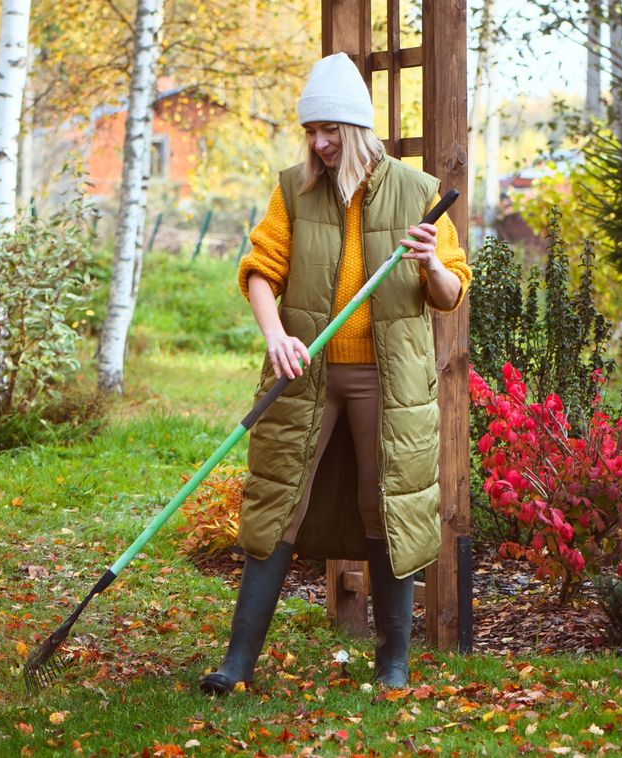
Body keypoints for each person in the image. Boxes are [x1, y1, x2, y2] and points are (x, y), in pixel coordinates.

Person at [199, 53, 471, 696]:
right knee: (275, 505)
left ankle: (393, 664)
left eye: (329, 131)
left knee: (390, 509)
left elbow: (449, 291)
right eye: (310, 131)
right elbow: (260, 269)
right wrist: (277, 337)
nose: (318, 144)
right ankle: (237, 664)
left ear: (355, 129)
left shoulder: (418, 190)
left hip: (387, 382)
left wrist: (431, 261)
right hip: (307, 375)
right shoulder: (293, 188)